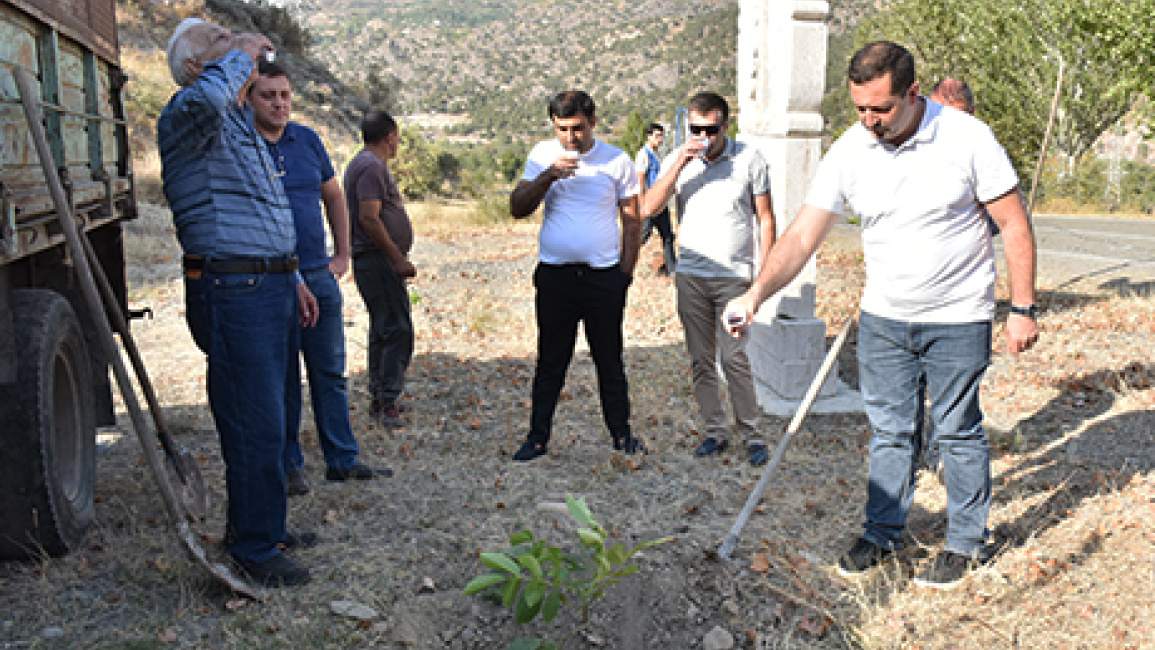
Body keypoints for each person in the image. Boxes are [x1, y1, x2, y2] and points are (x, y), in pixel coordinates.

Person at [724, 41, 1040, 589]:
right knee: (891, 431)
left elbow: (1013, 223)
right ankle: (883, 532)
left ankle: (967, 542)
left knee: (957, 429)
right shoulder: (851, 149)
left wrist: (1023, 307)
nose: (869, 121)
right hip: (885, 320)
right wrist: (756, 296)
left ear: (912, 94)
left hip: (958, 316)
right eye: (860, 109)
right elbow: (802, 234)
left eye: (881, 110)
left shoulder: (968, 139)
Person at [160, 18, 319, 587]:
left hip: (269, 284)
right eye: (219, 44)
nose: (236, 47)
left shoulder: (237, 122)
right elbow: (207, 97)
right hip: (233, 288)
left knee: (273, 414)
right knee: (254, 418)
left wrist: (293, 275)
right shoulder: (187, 112)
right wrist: (242, 53)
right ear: (194, 67)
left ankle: (262, 527)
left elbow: (265, 208)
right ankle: (253, 546)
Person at [248, 61, 391, 493]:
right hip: (271, 279)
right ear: (250, 98)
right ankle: (289, 466)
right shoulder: (243, 144)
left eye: (284, 95)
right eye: (268, 95)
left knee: (330, 371)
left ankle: (342, 459)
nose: (278, 103)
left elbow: (333, 195)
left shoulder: (307, 140)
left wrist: (343, 253)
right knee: (283, 377)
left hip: (317, 271)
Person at [640, 92, 776, 467]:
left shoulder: (750, 158)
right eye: (695, 129)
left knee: (734, 359)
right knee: (701, 360)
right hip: (692, 278)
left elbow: (765, 218)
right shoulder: (679, 159)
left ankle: (752, 435)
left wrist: (764, 275)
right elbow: (648, 207)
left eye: (710, 130)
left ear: (725, 126)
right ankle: (715, 432)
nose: (703, 136)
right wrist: (680, 162)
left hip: (734, 279)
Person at [509, 90, 644, 462]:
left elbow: (632, 222)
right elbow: (517, 208)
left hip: (602, 278)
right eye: (563, 129)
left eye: (578, 128)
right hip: (555, 277)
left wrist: (624, 277)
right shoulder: (541, 155)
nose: (571, 137)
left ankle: (622, 436)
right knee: (551, 360)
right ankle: (537, 439)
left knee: (609, 361)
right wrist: (548, 176)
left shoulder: (617, 161)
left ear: (593, 122)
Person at [345, 110, 416, 430]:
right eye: (396, 138)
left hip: (374, 259)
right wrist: (396, 258)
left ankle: (380, 397)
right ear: (390, 137)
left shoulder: (363, 164)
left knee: (383, 329)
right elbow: (369, 218)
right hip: (376, 259)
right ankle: (388, 401)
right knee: (397, 330)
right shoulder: (372, 167)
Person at [634, 123, 677, 275]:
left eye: (661, 136)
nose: (660, 139)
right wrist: (642, 203)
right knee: (641, 236)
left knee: (667, 236)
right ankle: (624, 264)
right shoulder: (643, 155)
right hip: (650, 203)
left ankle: (672, 270)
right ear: (649, 136)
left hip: (660, 202)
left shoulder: (655, 155)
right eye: (657, 136)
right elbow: (640, 179)